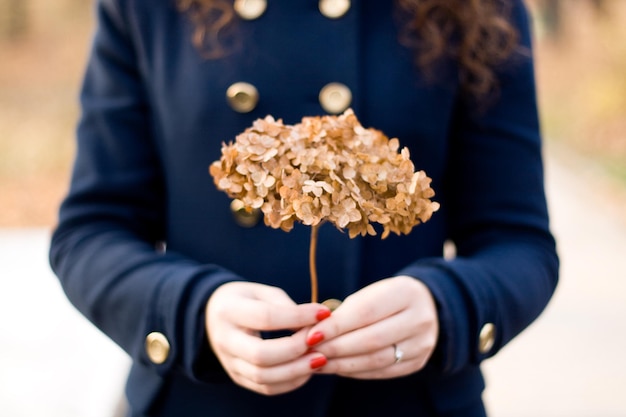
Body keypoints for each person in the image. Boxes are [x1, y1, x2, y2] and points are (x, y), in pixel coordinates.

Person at [49, 0, 559, 416]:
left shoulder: (476, 8)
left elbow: (519, 240)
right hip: (202, 400)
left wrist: (447, 306)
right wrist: (190, 312)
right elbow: (91, 231)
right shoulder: (150, 8)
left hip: (404, 402)